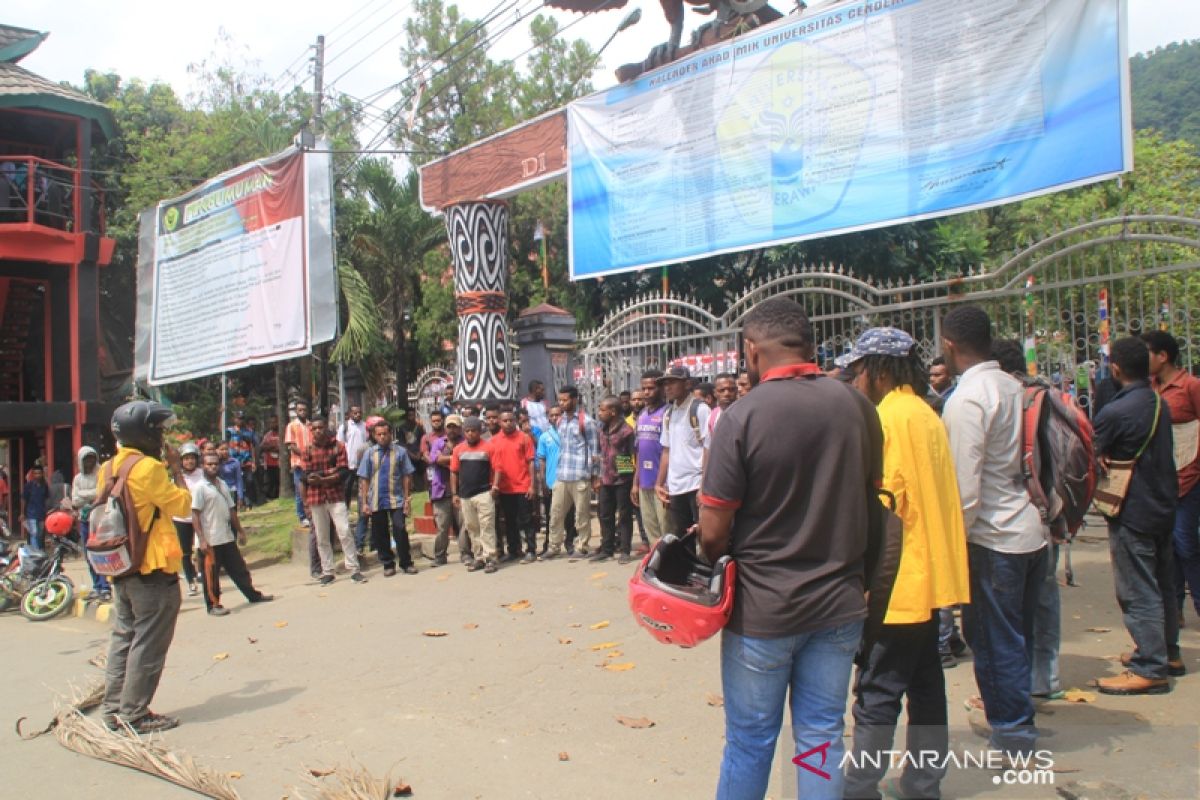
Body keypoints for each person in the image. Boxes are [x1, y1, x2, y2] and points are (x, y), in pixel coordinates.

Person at [698, 298, 883, 800]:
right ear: (809, 343)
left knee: (751, 739)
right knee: (822, 735)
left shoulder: (741, 417)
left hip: (763, 611)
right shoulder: (857, 406)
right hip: (840, 606)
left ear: (752, 350)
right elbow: (873, 500)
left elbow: (712, 529)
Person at [837, 328, 970, 800]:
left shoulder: (887, 419)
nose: (855, 380)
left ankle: (858, 787)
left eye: (858, 371)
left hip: (896, 584)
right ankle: (923, 784)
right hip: (930, 580)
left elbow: (882, 504)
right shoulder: (926, 413)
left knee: (877, 692)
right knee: (926, 687)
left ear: (880, 369)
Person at [940, 305, 1048, 757]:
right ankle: (1016, 719)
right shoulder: (1013, 385)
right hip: (1030, 527)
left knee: (995, 640)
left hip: (993, 537)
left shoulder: (968, 399)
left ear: (948, 345)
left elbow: (963, 489)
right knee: (1017, 635)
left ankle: (1014, 734)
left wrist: (953, 549)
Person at [1092, 336, 1181, 693]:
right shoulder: (1159, 402)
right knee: (1164, 584)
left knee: (1138, 589)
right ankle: (1167, 652)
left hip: (1132, 509)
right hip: (1162, 505)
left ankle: (1150, 665)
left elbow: (1093, 449)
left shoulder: (1115, 411)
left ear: (1115, 368)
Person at [100, 400, 194, 734]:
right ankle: (135, 714)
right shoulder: (149, 469)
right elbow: (182, 504)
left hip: (122, 566)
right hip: (152, 568)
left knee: (124, 638)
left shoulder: (109, 467)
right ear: (143, 433)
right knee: (149, 643)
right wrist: (176, 468)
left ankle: (113, 710)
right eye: (158, 430)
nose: (162, 436)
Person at [1143, 330, 1200, 628]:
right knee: (1167, 548)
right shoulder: (1149, 388)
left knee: (1186, 543)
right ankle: (1174, 608)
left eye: (1147, 353)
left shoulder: (1190, 387)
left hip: (1189, 478)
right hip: (1160, 481)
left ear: (1163, 356)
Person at [191, 452, 273, 616]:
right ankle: (214, 605)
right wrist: (201, 539)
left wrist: (240, 531)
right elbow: (195, 514)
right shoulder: (200, 488)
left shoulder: (222, 484)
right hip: (210, 540)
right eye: (209, 464)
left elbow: (231, 509)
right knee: (211, 575)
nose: (213, 467)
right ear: (203, 466)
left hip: (226, 537)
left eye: (215, 464)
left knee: (239, 569)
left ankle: (252, 595)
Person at [303, 419, 366, 586]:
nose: (317, 431)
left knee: (344, 531)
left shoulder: (338, 446)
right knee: (322, 536)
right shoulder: (308, 449)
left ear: (326, 428)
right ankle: (328, 571)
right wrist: (329, 474)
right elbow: (306, 476)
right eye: (314, 428)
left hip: (336, 496)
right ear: (311, 430)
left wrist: (321, 477)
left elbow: (343, 472)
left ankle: (354, 569)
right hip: (316, 498)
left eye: (320, 427)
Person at [655, 366, 710, 537]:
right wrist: (659, 483)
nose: (667, 387)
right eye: (665, 383)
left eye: (672, 382)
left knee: (703, 535)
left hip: (695, 484)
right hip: (676, 487)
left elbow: (708, 449)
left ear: (686, 384)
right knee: (681, 538)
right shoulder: (669, 413)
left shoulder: (700, 409)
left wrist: (704, 486)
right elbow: (666, 450)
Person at [545, 386, 599, 559]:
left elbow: (595, 451)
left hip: (580, 476)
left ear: (575, 400)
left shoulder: (586, 422)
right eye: (560, 400)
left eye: (565, 400)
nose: (562, 403)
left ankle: (581, 546)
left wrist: (595, 475)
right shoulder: (560, 422)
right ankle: (554, 546)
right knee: (555, 513)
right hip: (562, 476)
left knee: (581, 514)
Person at [358, 420, 418, 576]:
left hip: (396, 498)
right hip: (376, 499)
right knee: (380, 533)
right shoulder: (369, 453)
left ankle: (406, 562)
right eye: (379, 434)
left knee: (400, 529)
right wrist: (364, 503)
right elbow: (364, 478)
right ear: (374, 435)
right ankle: (387, 564)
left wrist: (407, 499)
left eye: (385, 433)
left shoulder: (400, 452)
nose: (382, 437)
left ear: (390, 434)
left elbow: (406, 476)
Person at [451, 417, 499, 573]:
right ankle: (479, 557)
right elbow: (454, 472)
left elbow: (497, 468)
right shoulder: (458, 449)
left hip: (484, 493)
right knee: (472, 528)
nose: (470, 434)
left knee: (487, 526)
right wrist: (454, 493)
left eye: (473, 431)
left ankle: (490, 558)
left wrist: (495, 486)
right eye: (467, 431)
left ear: (479, 432)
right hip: (465, 496)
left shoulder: (489, 447)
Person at [490, 410, 538, 563]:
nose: (508, 423)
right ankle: (513, 550)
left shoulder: (524, 438)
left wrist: (532, 485)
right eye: (505, 421)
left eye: (511, 420)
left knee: (527, 520)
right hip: (504, 488)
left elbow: (531, 462)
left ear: (516, 421)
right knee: (510, 521)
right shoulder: (494, 441)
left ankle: (531, 550)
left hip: (523, 485)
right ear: (499, 422)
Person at [632, 370, 672, 550]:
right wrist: (635, 482)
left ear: (662, 388)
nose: (646, 392)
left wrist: (662, 482)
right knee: (651, 529)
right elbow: (639, 450)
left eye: (651, 388)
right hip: (644, 483)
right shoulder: (641, 416)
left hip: (663, 484)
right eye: (644, 388)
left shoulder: (668, 413)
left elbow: (669, 450)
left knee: (667, 529)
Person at [595, 396, 636, 563]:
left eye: (602, 410)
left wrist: (630, 478)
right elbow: (601, 454)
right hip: (606, 478)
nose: (599, 413)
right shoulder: (602, 429)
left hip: (623, 477)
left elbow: (632, 454)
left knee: (624, 515)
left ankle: (625, 550)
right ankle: (607, 549)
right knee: (605, 514)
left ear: (612, 412)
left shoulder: (626, 430)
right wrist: (599, 476)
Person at [536, 406, 577, 555]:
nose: (554, 418)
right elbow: (542, 460)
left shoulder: (570, 433)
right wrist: (543, 481)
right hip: (551, 481)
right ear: (548, 418)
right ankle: (549, 544)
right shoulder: (544, 437)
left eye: (557, 415)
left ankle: (570, 543)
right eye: (552, 415)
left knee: (569, 516)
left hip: (568, 479)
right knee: (551, 515)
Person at [71, 446, 110, 601]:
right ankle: (96, 586)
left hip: (100, 518)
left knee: (101, 553)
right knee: (88, 555)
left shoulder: (102, 472)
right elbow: (75, 500)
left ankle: (105, 586)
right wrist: (91, 495)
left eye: (92, 458)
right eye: (86, 459)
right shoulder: (78, 478)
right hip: (84, 519)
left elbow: (102, 492)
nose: (89, 461)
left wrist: (84, 495)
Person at [170, 443, 206, 598]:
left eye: (192, 458)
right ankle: (190, 581)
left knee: (201, 548)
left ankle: (203, 575)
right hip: (181, 518)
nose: (189, 462)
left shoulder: (203, 474)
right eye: (186, 459)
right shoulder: (177, 477)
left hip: (199, 516)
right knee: (185, 551)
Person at [430, 415, 464, 565]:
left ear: (460, 427)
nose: (452, 430)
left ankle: (466, 553)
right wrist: (455, 459)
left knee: (464, 524)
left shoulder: (465, 442)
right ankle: (440, 556)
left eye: (455, 426)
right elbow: (435, 459)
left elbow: (465, 460)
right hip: (441, 490)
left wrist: (446, 459)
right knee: (442, 526)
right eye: (449, 426)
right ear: (445, 428)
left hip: (462, 489)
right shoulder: (438, 443)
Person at [337, 405, 371, 552]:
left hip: (362, 466)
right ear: (350, 413)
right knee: (346, 491)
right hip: (348, 465)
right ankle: (344, 513)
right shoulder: (344, 427)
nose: (357, 414)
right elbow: (340, 444)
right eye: (354, 412)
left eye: (359, 412)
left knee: (362, 494)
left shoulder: (365, 426)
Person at [285, 401, 313, 525]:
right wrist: (303, 454)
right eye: (300, 410)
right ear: (296, 411)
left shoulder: (311, 425)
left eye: (304, 410)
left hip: (311, 462)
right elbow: (291, 445)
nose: (302, 412)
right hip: (298, 462)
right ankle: (302, 516)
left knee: (310, 489)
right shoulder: (291, 426)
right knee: (299, 491)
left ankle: (310, 514)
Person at [20, 464, 49, 550]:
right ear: (33, 474)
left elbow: (46, 499)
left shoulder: (45, 486)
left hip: (41, 514)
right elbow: (24, 500)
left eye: (39, 473)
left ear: (42, 474)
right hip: (31, 514)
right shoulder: (28, 486)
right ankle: (35, 553)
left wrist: (47, 511)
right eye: (35, 473)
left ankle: (39, 551)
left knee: (40, 535)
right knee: (34, 533)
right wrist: (22, 513)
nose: (37, 475)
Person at [215, 442, 244, 510]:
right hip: (218, 492)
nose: (224, 451)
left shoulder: (235, 462)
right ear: (217, 450)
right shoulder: (215, 462)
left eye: (226, 449)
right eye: (222, 449)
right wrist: (217, 458)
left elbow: (239, 480)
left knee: (232, 514)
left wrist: (240, 496)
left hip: (231, 491)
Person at [260, 416, 281, 500]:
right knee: (270, 481)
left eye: (275, 422)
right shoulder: (267, 435)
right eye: (271, 422)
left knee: (278, 481)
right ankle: (270, 497)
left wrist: (272, 447)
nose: (273, 424)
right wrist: (273, 446)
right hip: (269, 463)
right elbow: (262, 447)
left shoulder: (282, 433)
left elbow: (282, 447)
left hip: (279, 462)